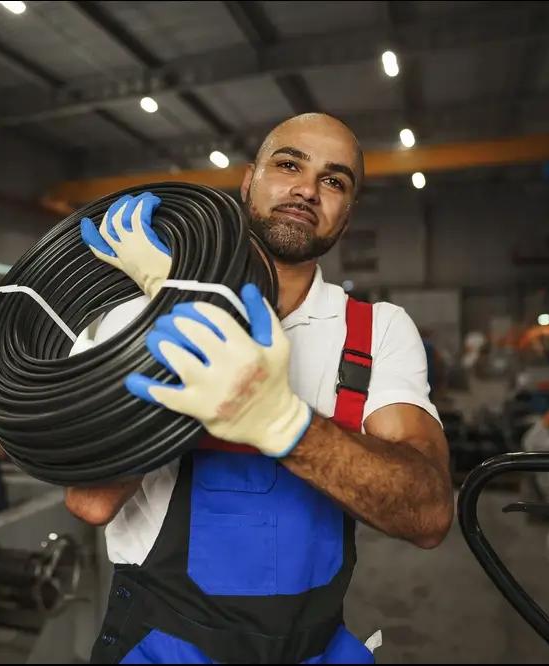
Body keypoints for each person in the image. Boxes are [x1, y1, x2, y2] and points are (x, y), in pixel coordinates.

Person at [70, 113, 453, 664]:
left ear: (348, 212)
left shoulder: (377, 331)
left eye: (334, 180)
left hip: (314, 651)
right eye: (289, 164)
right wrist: (177, 308)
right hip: (161, 648)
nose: (306, 189)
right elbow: (90, 499)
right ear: (249, 180)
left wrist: (283, 425)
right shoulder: (138, 310)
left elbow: (429, 513)